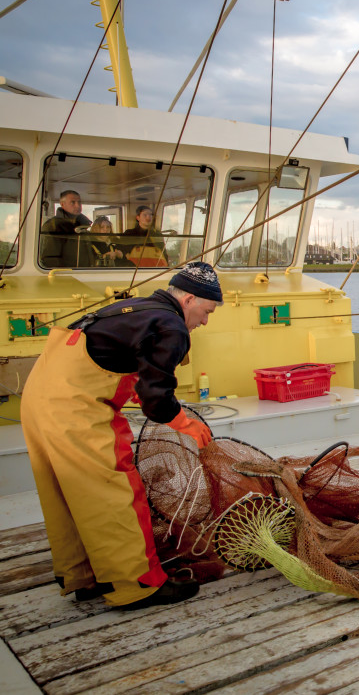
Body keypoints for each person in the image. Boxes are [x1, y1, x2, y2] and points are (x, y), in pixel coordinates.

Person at [21, 262, 222, 610]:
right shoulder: (172, 325)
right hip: (74, 406)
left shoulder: (138, 308)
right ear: (189, 299)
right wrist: (186, 423)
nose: (205, 321)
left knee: (67, 490)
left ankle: (83, 577)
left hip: (39, 396)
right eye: (207, 311)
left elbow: (112, 358)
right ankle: (137, 585)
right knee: (116, 490)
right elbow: (156, 400)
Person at [40, 190, 93, 267]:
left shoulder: (82, 227)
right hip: (66, 275)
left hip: (84, 274)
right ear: (62, 204)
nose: (77, 206)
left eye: (79, 202)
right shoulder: (53, 226)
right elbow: (50, 259)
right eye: (73, 202)